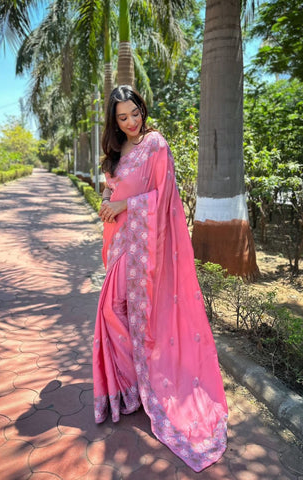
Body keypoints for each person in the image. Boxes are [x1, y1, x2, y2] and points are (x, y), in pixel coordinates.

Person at [93, 85, 228, 472]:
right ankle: (128, 389)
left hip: (145, 249)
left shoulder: (155, 144)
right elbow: (112, 190)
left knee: (122, 312)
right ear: (114, 122)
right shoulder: (116, 154)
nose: (132, 121)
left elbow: (164, 197)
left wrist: (124, 204)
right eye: (123, 117)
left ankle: (141, 386)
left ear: (142, 110)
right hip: (122, 244)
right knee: (111, 312)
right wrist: (108, 199)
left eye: (135, 112)